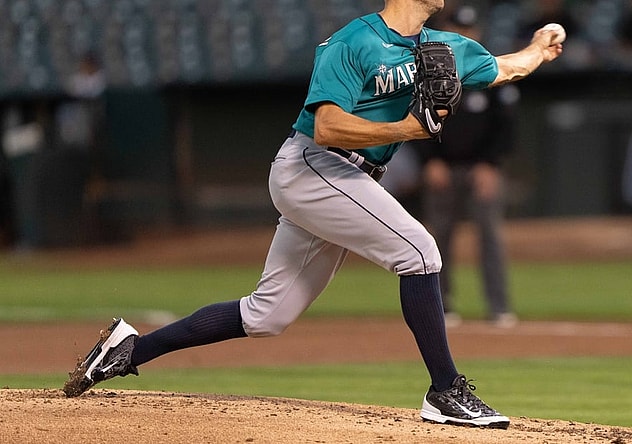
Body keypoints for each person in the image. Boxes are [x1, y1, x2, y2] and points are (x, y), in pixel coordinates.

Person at [64, 0, 563, 429]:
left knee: (267, 315)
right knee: (420, 252)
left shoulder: (444, 47)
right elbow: (326, 126)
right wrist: (410, 129)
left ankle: (129, 350)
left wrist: (540, 47)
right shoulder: (351, 43)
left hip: (348, 179)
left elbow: (507, 67)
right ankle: (446, 391)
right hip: (312, 166)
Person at [414, 5, 519, 328]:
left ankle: (499, 307)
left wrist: (490, 164)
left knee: (490, 237)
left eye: (469, 31)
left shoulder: (489, 74)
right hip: (443, 168)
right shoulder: (428, 73)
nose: (463, 36)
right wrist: (430, 160)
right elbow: (415, 120)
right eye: (457, 30)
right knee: (437, 240)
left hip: (481, 170)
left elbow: (506, 128)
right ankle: (441, 307)